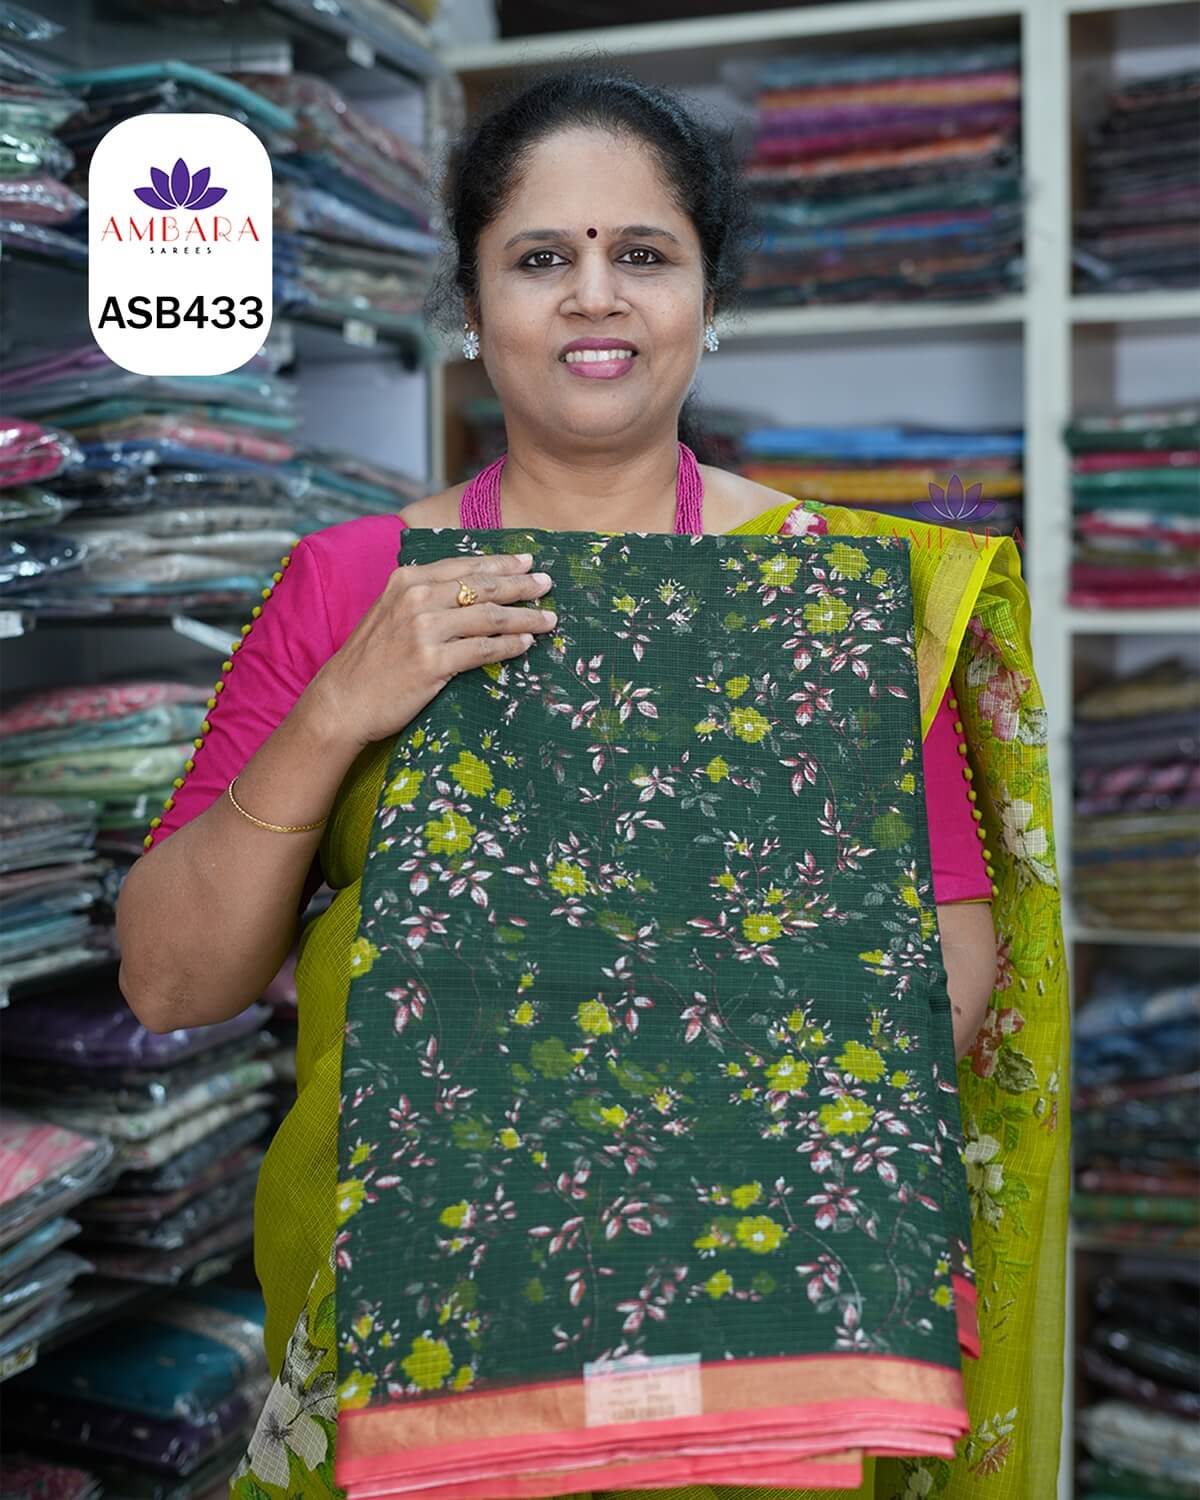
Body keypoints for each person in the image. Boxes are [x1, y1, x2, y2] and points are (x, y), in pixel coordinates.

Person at [116, 67, 1068, 1500]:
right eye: (540, 258)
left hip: (766, 1312)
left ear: (707, 294)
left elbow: (946, 965)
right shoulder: (352, 583)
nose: (594, 295)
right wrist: (339, 711)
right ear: (470, 302)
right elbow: (169, 983)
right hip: (412, 1312)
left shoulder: (836, 596)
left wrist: (646, 1175)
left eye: (643, 253)